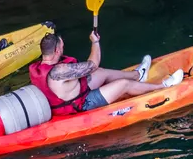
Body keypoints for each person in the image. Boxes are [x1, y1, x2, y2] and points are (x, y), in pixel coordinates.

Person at [29, 31, 183, 116]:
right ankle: (162, 86)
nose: (63, 49)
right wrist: (95, 42)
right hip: (81, 103)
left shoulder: (38, 67)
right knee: (123, 85)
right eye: (62, 47)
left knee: (102, 73)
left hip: (74, 92)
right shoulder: (58, 71)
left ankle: (138, 75)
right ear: (56, 51)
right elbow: (92, 65)